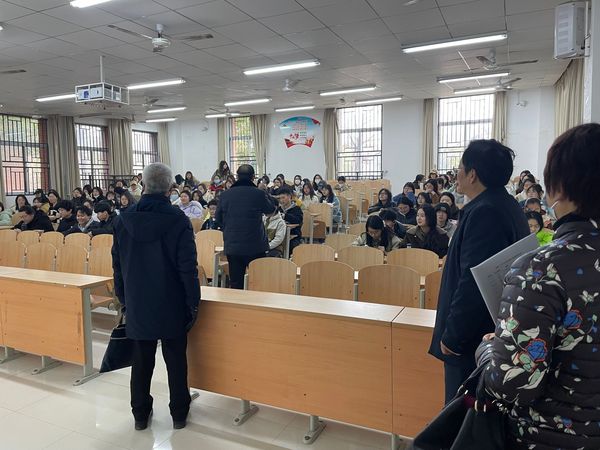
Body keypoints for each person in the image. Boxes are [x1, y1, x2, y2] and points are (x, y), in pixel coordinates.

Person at [479, 123, 600, 449]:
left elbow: (512, 384)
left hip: (551, 437)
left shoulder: (540, 268)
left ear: (558, 188)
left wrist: (488, 351)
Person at [430, 139, 529, 404]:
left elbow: (472, 281)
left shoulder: (486, 212)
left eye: (460, 168)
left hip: (471, 340)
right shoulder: (505, 205)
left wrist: (454, 336)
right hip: (488, 330)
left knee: (461, 411)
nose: (457, 174)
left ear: (472, 174)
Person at [112, 162, 200, 431]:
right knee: (176, 359)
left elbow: (118, 266)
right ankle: (179, 413)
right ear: (170, 188)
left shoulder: (123, 220)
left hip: (138, 300)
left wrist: (124, 299)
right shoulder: (178, 220)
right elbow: (188, 267)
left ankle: (140, 414)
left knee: (141, 360)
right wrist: (193, 302)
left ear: (144, 185)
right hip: (172, 300)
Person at [216, 164, 276, 289]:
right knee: (258, 283)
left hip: (233, 245)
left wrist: (230, 228)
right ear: (253, 177)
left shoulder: (225, 195)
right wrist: (265, 191)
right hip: (255, 245)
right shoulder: (258, 194)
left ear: (237, 177)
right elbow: (270, 210)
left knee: (236, 283)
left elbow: (218, 219)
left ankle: (237, 302)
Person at [278, 186, 303, 254]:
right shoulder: (278, 209)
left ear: (289, 196)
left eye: (283, 197)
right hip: (280, 236)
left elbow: (298, 221)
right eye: (280, 198)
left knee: (292, 246)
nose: (281, 200)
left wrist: (285, 216)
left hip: (293, 235)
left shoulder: (296, 209)